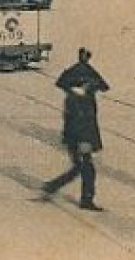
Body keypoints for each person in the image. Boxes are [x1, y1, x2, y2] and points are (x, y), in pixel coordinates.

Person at [43, 50, 109, 211]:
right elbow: (104, 87)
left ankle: (52, 186)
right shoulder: (83, 99)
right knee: (86, 168)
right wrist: (84, 141)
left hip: (74, 136)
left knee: (79, 167)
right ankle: (85, 199)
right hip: (82, 137)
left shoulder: (72, 95)